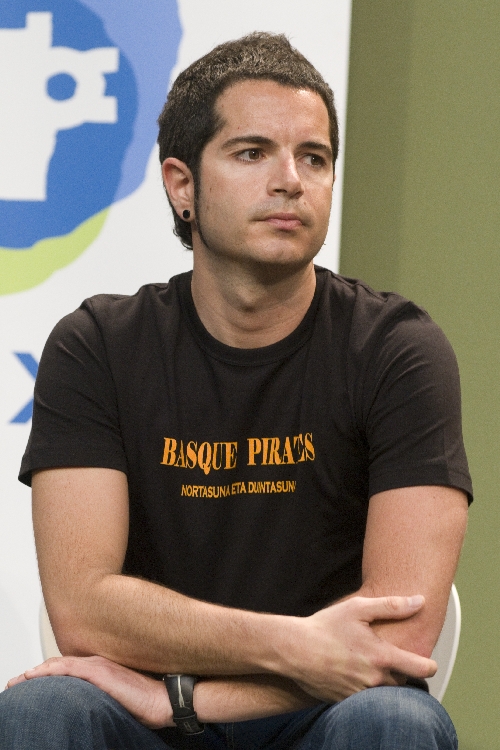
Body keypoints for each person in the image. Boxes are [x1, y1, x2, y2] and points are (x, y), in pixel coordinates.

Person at [0, 32, 471, 749]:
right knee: (41, 711)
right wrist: (291, 645)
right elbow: (83, 611)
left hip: (321, 712)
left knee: (397, 720)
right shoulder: (96, 347)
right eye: (252, 153)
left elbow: (398, 640)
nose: (291, 180)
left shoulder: (397, 350)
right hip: (148, 719)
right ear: (181, 185)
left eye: (314, 158)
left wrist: (187, 700)